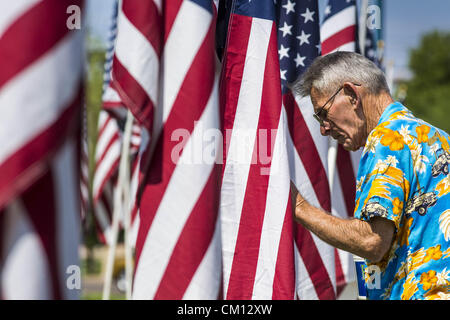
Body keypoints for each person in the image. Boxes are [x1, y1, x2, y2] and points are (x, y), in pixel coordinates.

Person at [289, 51, 450, 300]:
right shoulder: (439, 138)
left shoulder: (388, 139)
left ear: (352, 95)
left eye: (322, 113)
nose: (323, 129)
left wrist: (298, 206)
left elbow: (372, 242)